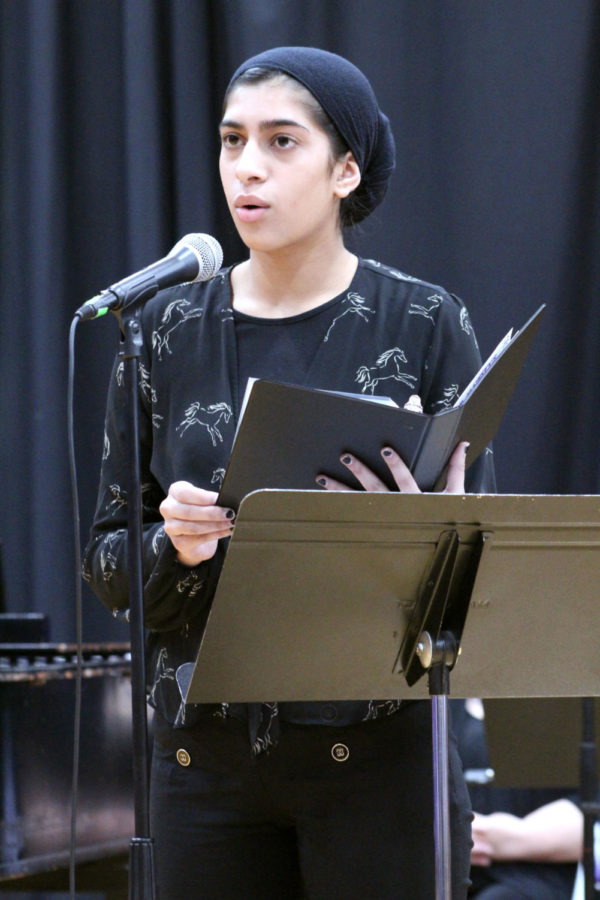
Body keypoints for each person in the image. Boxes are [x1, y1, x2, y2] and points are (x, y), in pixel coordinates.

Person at [83, 46, 496, 899]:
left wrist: (425, 525)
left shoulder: (423, 321)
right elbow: (107, 564)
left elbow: (486, 559)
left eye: (281, 143)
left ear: (346, 169)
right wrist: (175, 545)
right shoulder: (160, 329)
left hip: (380, 756)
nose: (247, 169)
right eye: (232, 141)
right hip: (203, 760)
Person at [452, 699, 581, 898]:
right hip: (450, 871)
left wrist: (505, 838)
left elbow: (590, 812)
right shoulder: (443, 706)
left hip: (535, 875)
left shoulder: (567, 704)